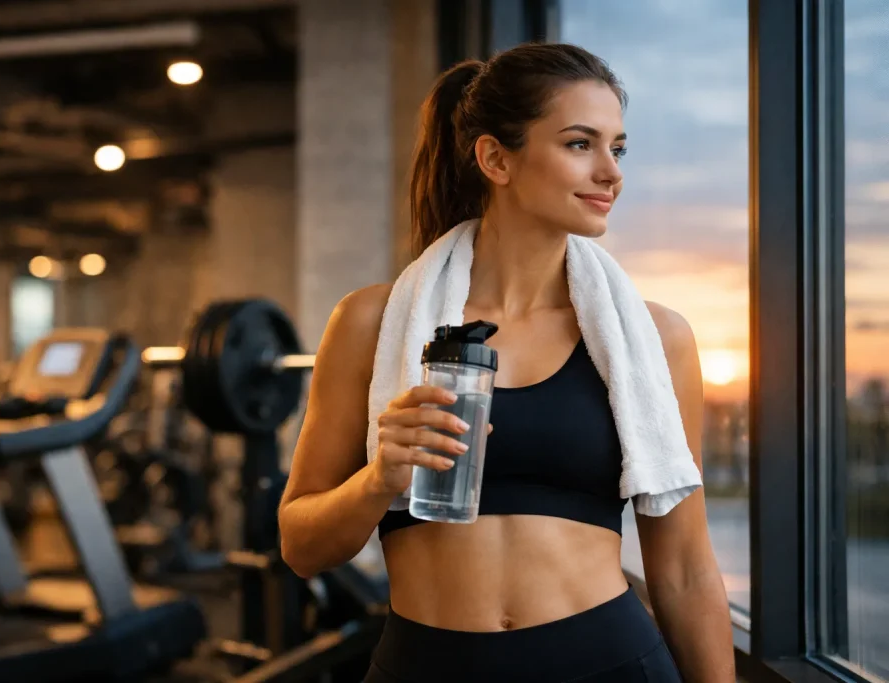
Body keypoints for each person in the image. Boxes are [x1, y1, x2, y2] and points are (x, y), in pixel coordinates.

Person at [278, 42, 735, 682]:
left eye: (618, 148)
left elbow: (684, 571)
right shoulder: (372, 324)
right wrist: (379, 477)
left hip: (611, 666)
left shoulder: (656, 339)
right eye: (581, 144)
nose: (612, 172)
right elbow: (301, 547)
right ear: (496, 157)